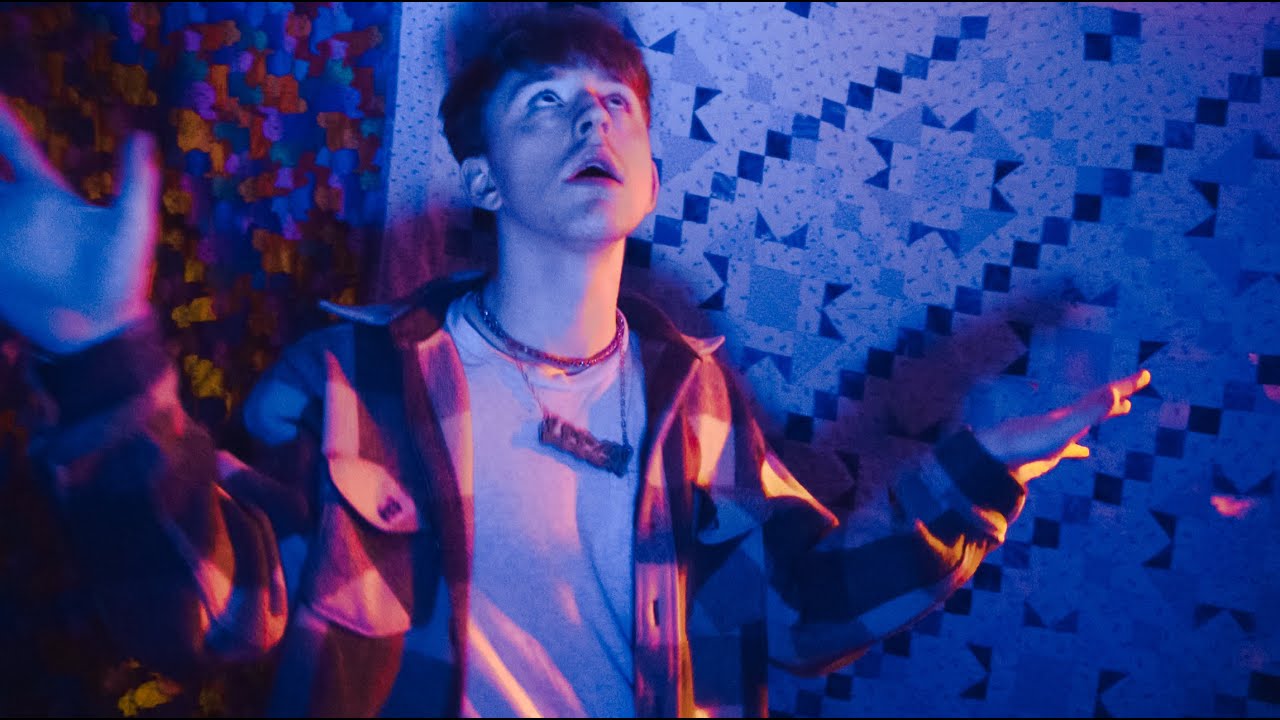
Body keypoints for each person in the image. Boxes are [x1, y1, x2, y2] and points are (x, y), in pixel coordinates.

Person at [0, 7, 1150, 718]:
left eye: (611, 105)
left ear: (648, 178)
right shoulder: (345, 382)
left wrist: (982, 471)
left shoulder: (699, 402)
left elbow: (802, 614)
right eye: (543, 105)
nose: (590, 123)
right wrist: (99, 358)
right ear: (482, 180)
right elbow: (210, 614)